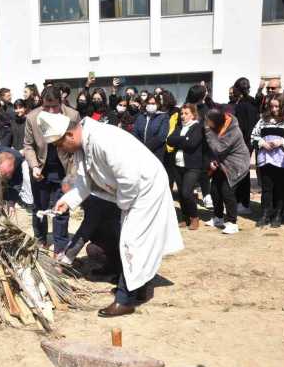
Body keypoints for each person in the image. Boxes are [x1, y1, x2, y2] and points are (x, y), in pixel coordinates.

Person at [44, 112, 183, 317]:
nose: (59, 149)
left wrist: (123, 204)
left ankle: (125, 300)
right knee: (133, 241)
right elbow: (85, 182)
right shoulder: (83, 145)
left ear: (69, 136)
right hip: (131, 192)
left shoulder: (103, 140)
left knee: (133, 241)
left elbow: (129, 177)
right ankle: (138, 288)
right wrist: (68, 201)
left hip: (145, 189)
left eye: (58, 144)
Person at [24, 86, 80, 255]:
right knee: (39, 209)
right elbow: (28, 145)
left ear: (61, 101)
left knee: (61, 211)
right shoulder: (32, 117)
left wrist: (73, 174)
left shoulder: (72, 116)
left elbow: (77, 147)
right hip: (40, 171)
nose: (49, 110)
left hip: (64, 171)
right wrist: (34, 166)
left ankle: (60, 248)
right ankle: (40, 240)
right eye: (45, 107)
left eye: (54, 106)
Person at [251, 94, 284, 228]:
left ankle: (278, 214)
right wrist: (261, 143)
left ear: (283, 106)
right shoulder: (262, 120)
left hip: (283, 161)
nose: (274, 109)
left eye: (277, 106)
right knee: (266, 188)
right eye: (271, 106)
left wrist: (282, 142)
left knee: (281, 189)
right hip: (266, 160)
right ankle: (265, 214)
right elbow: (253, 136)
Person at [203, 109, 250, 234]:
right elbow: (213, 150)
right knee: (214, 190)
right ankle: (218, 217)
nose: (207, 124)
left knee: (227, 192)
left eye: (209, 122)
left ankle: (232, 222)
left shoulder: (233, 130)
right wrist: (212, 160)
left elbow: (218, 148)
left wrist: (208, 131)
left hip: (236, 165)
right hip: (221, 163)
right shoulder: (217, 128)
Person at [167, 104, 204, 230]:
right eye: (182, 113)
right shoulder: (179, 127)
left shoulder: (197, 127)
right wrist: (184, 139)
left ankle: (194, 217)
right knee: (181, 194)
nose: (183, 116)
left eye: (186, 113)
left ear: (193, 114)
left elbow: (192, 143)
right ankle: (185, 217)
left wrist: (179, 140)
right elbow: (169, 140)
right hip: (178, 165)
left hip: (192, 166)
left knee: (186, 192)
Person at [231, 77, 260, 215]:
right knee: (243, 172)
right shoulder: (252, 102)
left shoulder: (243, 105)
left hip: (243, 143)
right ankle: (242, 202)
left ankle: (243, 202)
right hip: (249, 142)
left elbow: (243, 127)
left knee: (242, 173)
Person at [133, 94, 169, 162]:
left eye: (153, 103)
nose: (150, 105)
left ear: (157, 104)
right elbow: (135, 133)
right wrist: (140, 147)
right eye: (148, 103)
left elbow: (161, 137)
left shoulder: (163, 117)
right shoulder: (141, 117)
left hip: (156, 154)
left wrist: (145, 148)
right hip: (140, 153)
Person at [11, 99, 33, 207]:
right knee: (16, 178)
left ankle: (28, 201)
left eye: (20, 107)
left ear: (25, 108)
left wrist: (25, 150)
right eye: (16, 108)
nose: (18, 110)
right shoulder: (13, 122)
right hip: (15, 153)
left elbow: (32, 138)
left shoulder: (29, 121)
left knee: (27, 177)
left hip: (26, 153)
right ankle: (19, 199)